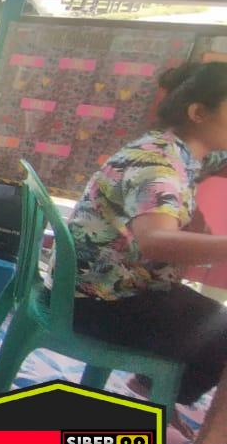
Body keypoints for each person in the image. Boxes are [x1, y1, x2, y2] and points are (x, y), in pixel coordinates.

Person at [66, 62, 227, 411]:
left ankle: (156, 386)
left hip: (109, 286)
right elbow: (156, 241)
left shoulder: (183, 150)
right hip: (97, 302)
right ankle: (158, 393)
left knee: (215, 323)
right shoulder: (159, 166)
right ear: (199, 113)